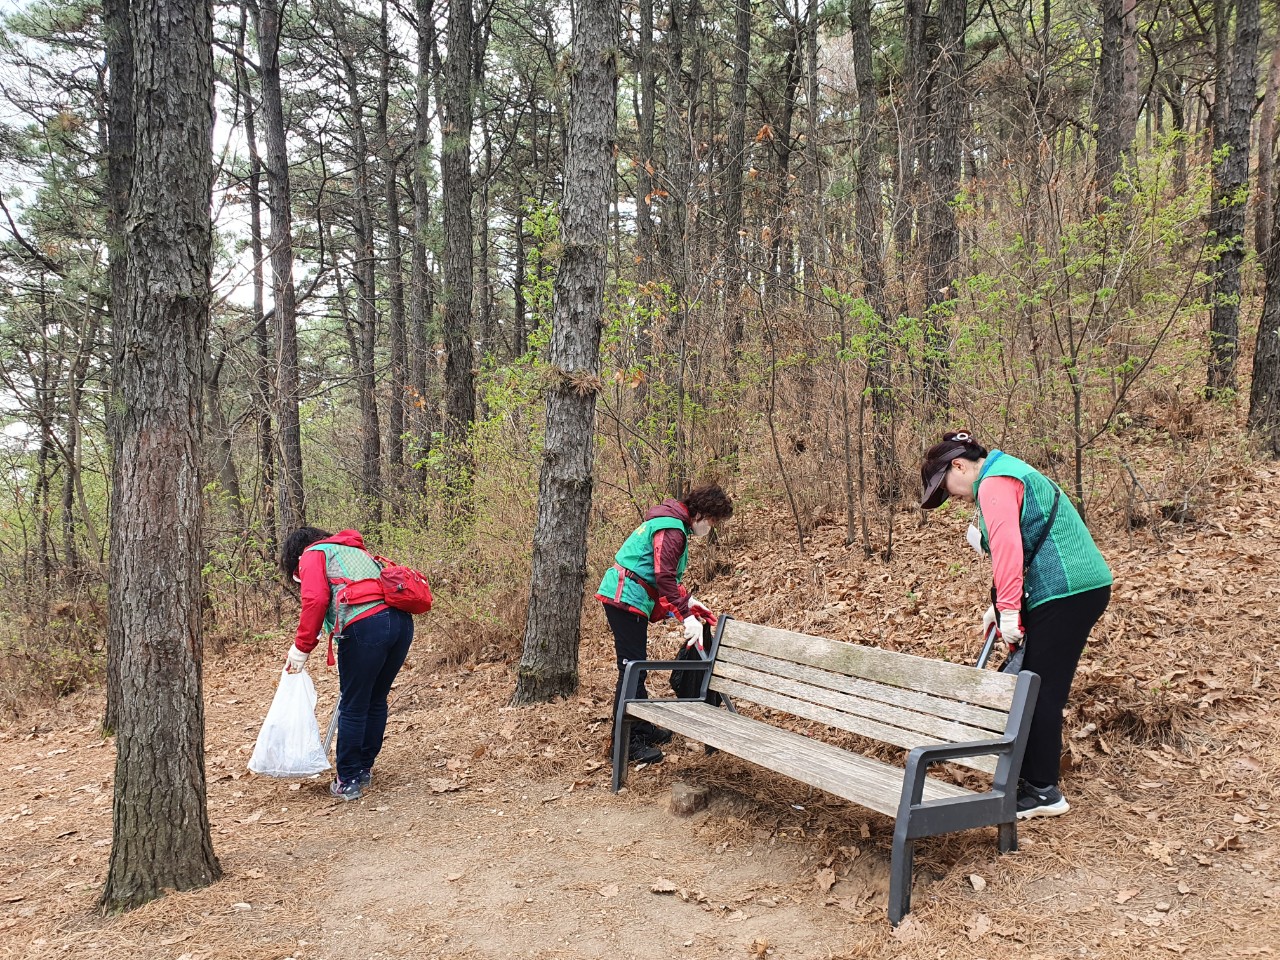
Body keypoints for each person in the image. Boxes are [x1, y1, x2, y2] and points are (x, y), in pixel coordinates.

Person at [919, 431, 1112, 819]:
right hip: (1068, 590)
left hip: (1068, 590)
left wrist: (1008, 609)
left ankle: (1043, 791)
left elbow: (1007, 548)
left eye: (947, 486)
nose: (952, 496)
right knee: (1030, 683)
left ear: (959, 465)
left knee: (1037, 688)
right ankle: (1029, 780)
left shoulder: (993, 481)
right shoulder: (1006, 473)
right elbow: (1021, 547)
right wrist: (1001, 607)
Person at [596, 484, 734, 764]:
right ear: (703, 513)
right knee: (632, 669)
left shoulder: (672, 521)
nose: (712, 526)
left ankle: (641, 728)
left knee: (635, 666)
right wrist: (687, 617)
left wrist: (690, 602)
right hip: (625, 599)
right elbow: (663, 579)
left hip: (629, 596)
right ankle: (626, 744)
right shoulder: (672, 530)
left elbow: (662, 576)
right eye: (713, 520)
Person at [280, 527, 414, 801]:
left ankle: (348, 779)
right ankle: (363, 769)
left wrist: (300, 649)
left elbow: (316, 600)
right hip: (400, 623)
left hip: (366, 626)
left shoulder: (313, 554)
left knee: (354, 703)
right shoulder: (353, 551)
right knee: (375, 699)